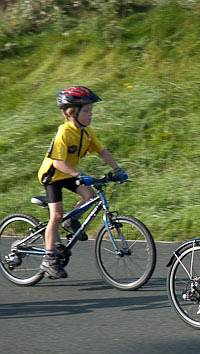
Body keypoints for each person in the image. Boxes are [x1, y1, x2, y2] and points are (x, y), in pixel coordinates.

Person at [37, 86, 128, 279]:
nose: (90, 115)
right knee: (56, 215)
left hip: (69, 173)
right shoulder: (64, 132)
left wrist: (117, 169)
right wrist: (79, 174)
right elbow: (58, 162)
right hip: (53, 175)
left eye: (90, 111)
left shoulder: (86, 132)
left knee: (89, 195)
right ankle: (49, 257)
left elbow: (102, 151)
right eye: (86, 111)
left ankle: (71, 221)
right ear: (71, 113)